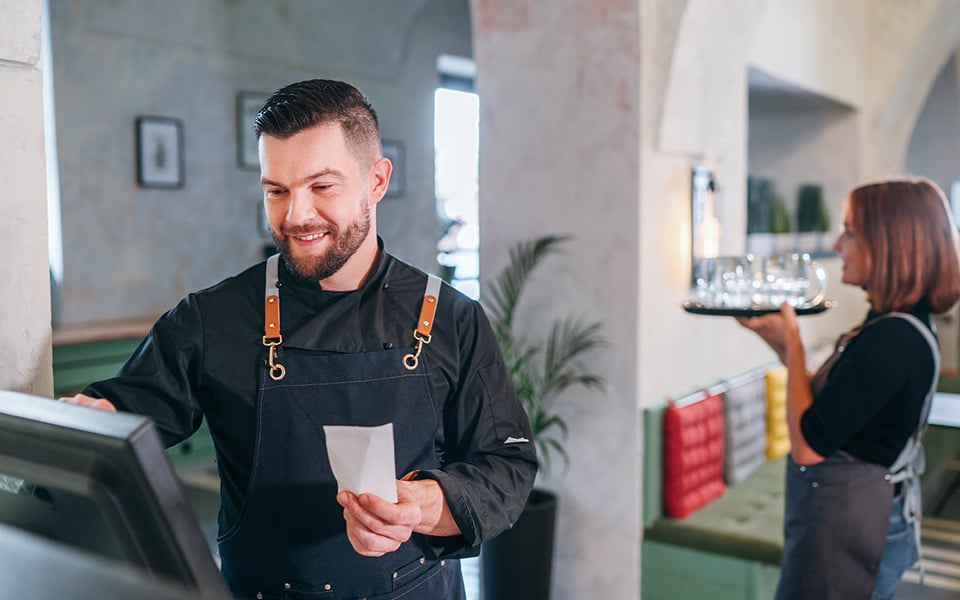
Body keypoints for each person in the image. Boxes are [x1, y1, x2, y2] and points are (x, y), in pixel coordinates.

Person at [61, 78, 538, 599]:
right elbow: (128, 413)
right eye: (276, 190)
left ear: (376, 181)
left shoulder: (452, 317)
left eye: (322, 186)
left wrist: (421, 505)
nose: (296, 215)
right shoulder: (212, 318)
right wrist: (83, 423)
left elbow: (506, 466)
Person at [738, 177, 960, 600]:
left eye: (851, 231)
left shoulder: (893, 339)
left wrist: (796, 346)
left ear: (890, 244)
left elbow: (808, 445)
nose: (838, 245)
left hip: (851, 523)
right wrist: (785, 347)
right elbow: (836, 408)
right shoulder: (892, 325)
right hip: (851, 513)